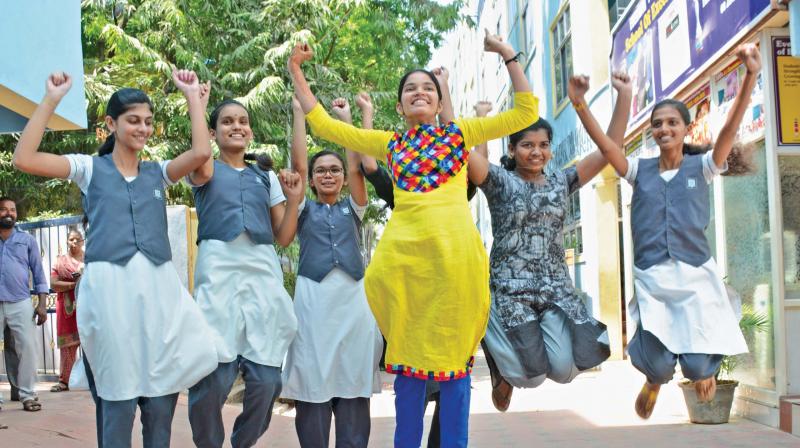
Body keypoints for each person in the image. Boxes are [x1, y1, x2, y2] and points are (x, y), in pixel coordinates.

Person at [288, 28, 539, 446]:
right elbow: (325, 124)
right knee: (408, 374)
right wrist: (296, 69)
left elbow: (525, 111)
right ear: (401, 104)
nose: (418, 92)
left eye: (428, 87)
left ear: (440, 101)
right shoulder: (390, 143)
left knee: (455, 369)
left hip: (456, 264)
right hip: (405, 269)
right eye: (410, 89)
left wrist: (507, 53)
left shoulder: (460, 135)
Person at [13, 70, 219, 446]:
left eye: (148, 122)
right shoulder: (90, 169)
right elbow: (24, 158)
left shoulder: (158, 174)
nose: (142, 128)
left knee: (160, 409)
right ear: (111, 123)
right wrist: (51, 99)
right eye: (133, 120)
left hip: (158, 301)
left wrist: (192, 96)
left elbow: (202, 153)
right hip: (110, 299)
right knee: (117, 406)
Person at [570, 44, 760, 419]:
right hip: (654, 277)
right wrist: (580, 104)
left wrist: (751, 74)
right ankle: (654, 381)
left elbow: (728, 130)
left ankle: (703, 372)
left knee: (697, 366)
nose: (663, 129)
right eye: (657, 124)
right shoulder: (640, 171)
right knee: (656, 363)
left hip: (695, 278)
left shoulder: (703, 166)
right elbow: (608, 147)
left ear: (686, 127)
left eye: (672, 122)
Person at [466, 73, 632, 411]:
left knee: (564, 369)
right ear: (511, 149)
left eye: (543, 145)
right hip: (510, 291)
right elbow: (459, 149)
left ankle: (519, 356)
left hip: (555, 289)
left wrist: (624, 95)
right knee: (531, 376)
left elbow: (609, 148)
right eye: (527, 145)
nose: (536, 152)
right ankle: (496, 352)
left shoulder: (561, 182)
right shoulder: (499, 181)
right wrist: (464, 114)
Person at [187, 98, 301, 448]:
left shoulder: (265, 176)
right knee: (214, 379)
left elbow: (283, 236)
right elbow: (199, 155)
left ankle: (242, 442)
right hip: (218, 273)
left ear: (251, 131)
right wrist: (196, 102)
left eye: (243, 121)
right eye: (227, 122)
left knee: (267, 381)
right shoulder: (202, 169)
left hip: (261, 273)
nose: (237, 126)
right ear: (212, 133)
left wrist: (295, 199)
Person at [280, 96, 382, 448]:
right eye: (320, 170)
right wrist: (298, 114)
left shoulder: (354, 208)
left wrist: (348, 118)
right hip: (313, 303)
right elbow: (297, 164)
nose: (328, 174)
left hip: (353, 304)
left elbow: (357, 166)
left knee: (353, 384)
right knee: (312, 380)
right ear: (312, 180)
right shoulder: (303, 206)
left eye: (334, 170)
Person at [0, 197, 48, 412]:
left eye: (12, 210)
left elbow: (38, 272)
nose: (8, 213)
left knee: (28, 348)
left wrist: (42, 303)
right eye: (3, 210)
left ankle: (28, 395)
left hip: (20, 302)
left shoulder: (27, 240)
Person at [49, 228, 85, 392]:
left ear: (83, 241)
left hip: (88, 306)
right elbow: (53, 283)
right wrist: (74, 285)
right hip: (67, 308)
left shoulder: (90, 260)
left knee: (93, 343)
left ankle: (98, 380)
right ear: (67, 241)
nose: (75, 242)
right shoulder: (60, 261)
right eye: (71, 239)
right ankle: (64, 381)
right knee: (67, 348)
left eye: (78, 239)